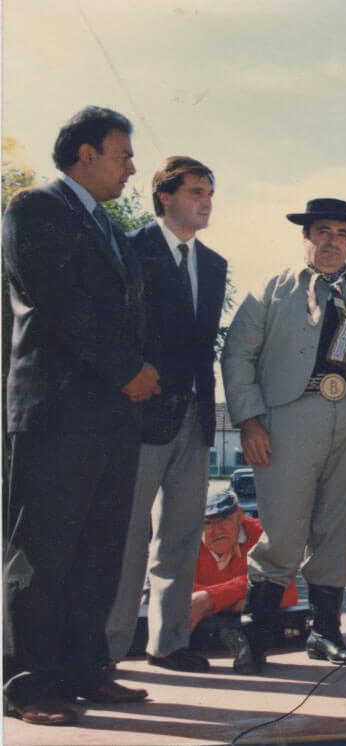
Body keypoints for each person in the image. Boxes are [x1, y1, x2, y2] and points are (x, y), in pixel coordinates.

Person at [2, 106, 157, 725]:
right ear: (84, 154)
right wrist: (127, 370)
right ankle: (27, 684)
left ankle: (85, 671)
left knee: (98, 552)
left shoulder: (114, 230)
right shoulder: (33, 208)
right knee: (43, 552)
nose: (132, 168)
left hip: (112, 417)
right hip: (56, 413)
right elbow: (59, 303)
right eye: (123, 155)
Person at [221, 197, 346, 673]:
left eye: (341, 234)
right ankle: (255, 634)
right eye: (322, 231)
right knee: (282, 530)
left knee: (344, 531)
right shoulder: (273, 290)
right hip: (289, 418)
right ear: (305, 237)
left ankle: (325, 633)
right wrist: (248, 420)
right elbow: (237, 355)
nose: (332, 241)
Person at [106, 156, 227, 674]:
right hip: (139, 417)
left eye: (210, 193)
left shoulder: (216, 264)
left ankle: (170, 642)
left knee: (180, 536)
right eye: (196, 191)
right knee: (128, 538)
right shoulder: (129, 250)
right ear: (164, 197)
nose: (205, 201)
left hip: (196, 417)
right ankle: (106, 649)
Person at [190, 490, 297, 651]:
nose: (217, 531)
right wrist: (241, 599)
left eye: (225, 519)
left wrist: (210, 600)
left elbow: (286, 590)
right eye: (208, 523)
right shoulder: (184, 541)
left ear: (239, 515)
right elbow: (177, 593)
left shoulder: (262, 535)